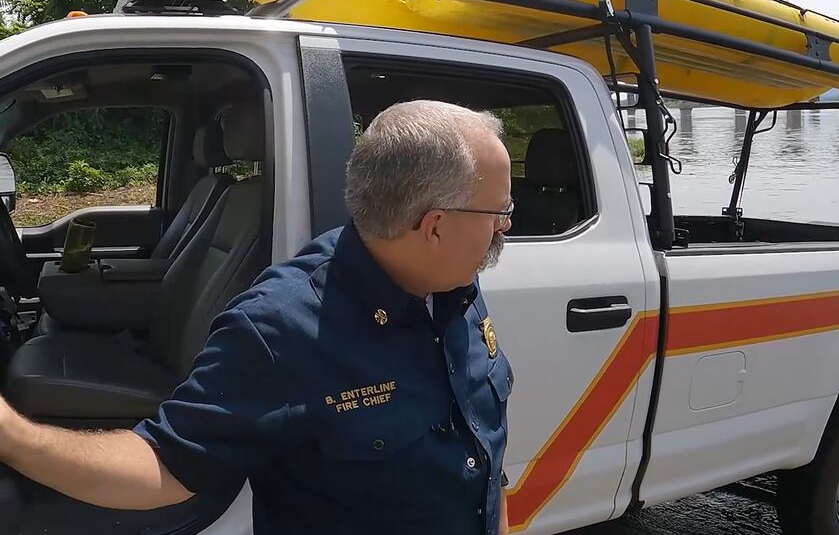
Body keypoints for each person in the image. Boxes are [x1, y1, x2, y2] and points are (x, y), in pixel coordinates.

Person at [0, 100, 515, 535]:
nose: (504, 227)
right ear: (434, 226)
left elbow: (481, 459)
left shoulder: (454, 288)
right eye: (500, 211)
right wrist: (13, 436)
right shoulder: (285, 327)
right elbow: (164, 466)